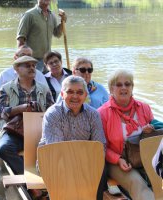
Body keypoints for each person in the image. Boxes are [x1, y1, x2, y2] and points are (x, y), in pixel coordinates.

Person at [39, 75, 107, 200]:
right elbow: (56, 151)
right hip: (54, 161)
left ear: (85, 95)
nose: (75, 96)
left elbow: (99, 147)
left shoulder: (93, 115)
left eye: (79, 92)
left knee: (101, 168)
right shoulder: (53, 114)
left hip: (85, 161)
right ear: (62, 94)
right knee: (62, 172)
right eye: (70, 92)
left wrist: (85, 163)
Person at [98, 69, 155, 200]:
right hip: (116, 162)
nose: (123, 87)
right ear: (111, 89)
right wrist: (118, 159)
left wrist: (150, 131)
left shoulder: (144, 107)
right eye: (119, 84)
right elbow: (100, 146)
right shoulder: (102, 113)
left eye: (127, 84)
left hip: (145, 157)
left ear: (132, 87)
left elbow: (155, 136)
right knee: (137, 183)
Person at [0, 55, 54, 175]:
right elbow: (0, 112)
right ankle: (29, 179)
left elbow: (52, 111)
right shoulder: (6, 89)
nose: (32, 68)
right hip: (14, 131)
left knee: (58, 148)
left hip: (39, 131)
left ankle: (52, 177)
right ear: (17, 69)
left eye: (33, 65)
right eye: (27, 66)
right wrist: (21, 109)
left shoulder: (44, 89)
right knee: (4, 149)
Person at [16, 0, 66, 73]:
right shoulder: (29, 15)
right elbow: (21, 38)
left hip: (47, 61)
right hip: (32, 60)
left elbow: (57, 34)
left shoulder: (52, 16)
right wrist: (23, 60)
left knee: (46, 82)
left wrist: (63, 21)